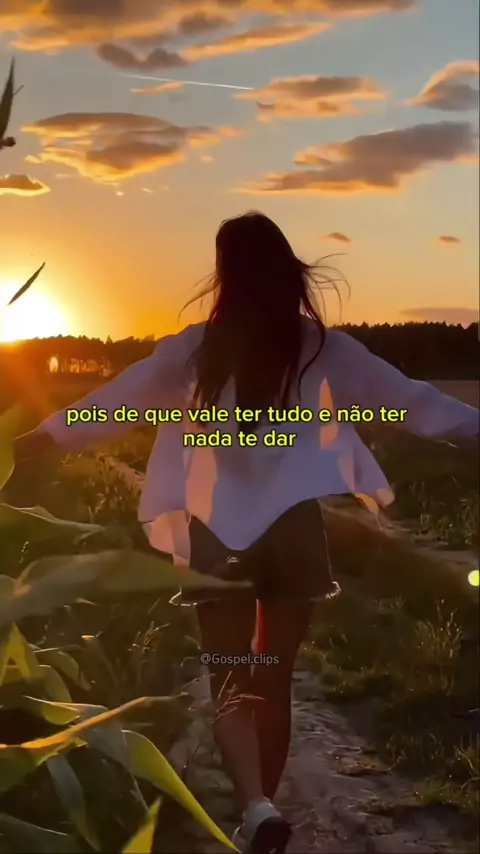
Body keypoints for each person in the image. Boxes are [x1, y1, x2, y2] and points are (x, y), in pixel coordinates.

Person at [11, 212, 479, 854]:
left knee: (231, 675)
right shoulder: (321, 347)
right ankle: (263, 817)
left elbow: (115, 403)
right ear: (287, 271)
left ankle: (256, 807)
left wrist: (40, 439)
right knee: (274, 676)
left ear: (225, 274)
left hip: (218, 536)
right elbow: (415, 401)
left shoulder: (197, 349)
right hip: (293, 531)